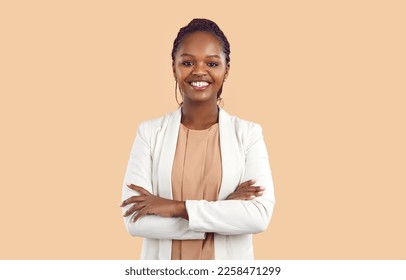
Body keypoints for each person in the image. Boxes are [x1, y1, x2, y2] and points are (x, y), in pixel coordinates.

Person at [120, 18, 275, 260]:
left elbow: (258, 216)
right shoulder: (149, 132)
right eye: (188, 62)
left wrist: (176, 208)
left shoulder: (248, 134)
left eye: (212, 63)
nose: (199, 71)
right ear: (174, 68)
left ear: (226, 69)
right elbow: (134, 221)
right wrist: (224, 210)